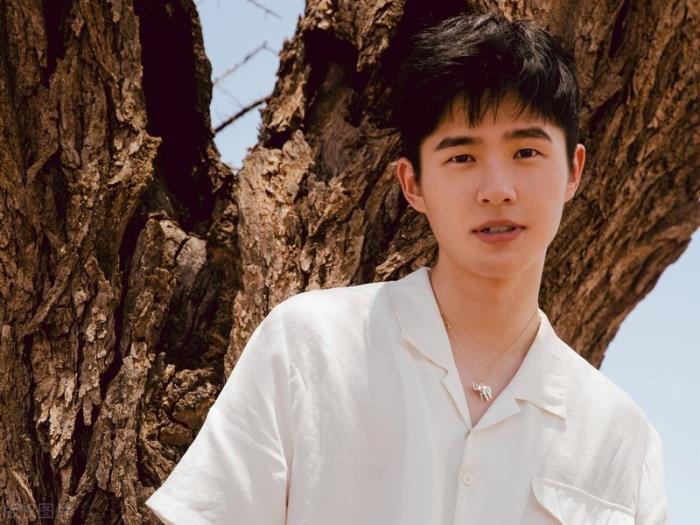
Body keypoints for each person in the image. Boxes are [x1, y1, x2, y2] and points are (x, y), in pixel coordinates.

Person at [145, 11, 668, 525]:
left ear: (573, 171)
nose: (497, 190)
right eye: (461, 157)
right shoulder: (310, 347)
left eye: (526, 151)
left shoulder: (619, 438)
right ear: (413, 184)